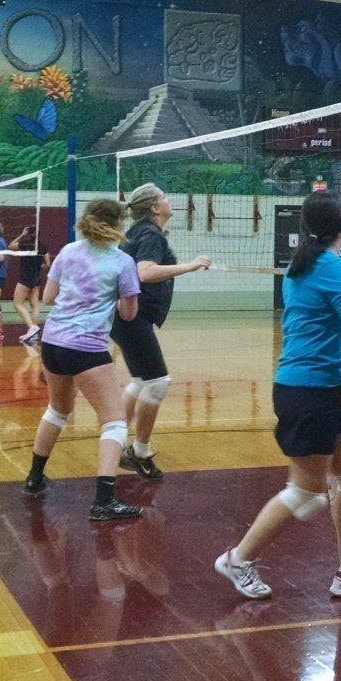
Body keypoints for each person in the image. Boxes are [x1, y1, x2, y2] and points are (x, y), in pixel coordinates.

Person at [214, 190, 341, 600]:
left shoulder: (301, 265)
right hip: (309, 390)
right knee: (305, 493)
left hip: (322, 389)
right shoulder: (331, 267)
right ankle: (238, 559)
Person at [23, 198, 146, 521]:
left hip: (52, 342)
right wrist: (117, 299)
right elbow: (129, 314)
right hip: (86, 347)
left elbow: (48, 298)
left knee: (58, 410)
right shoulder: (122, 262)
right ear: (118, 225)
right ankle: (104, 499)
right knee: (115, 421)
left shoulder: (68, 251)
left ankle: (34, 478)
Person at [110, 183, 212, 480]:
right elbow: (145, 272)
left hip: (122, 316)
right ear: (155, 208)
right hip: (132, 316)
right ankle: (139, 452)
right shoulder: (149, 233)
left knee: (141, 381)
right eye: (165, 197)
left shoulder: (141, 233)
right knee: (158, 383)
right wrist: (189, 266)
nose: (170, 200)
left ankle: (114, 439)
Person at [10, 226, 48, 343]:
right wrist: (37, 268)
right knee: (35, 305)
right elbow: (47, 264)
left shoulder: (24, 244)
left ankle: (31, 327)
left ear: (27, 233)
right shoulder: (42, 246)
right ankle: (34, 333)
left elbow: (10, 246)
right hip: (37, 279)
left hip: (26, 279)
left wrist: (21, 234)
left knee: (17, 304)